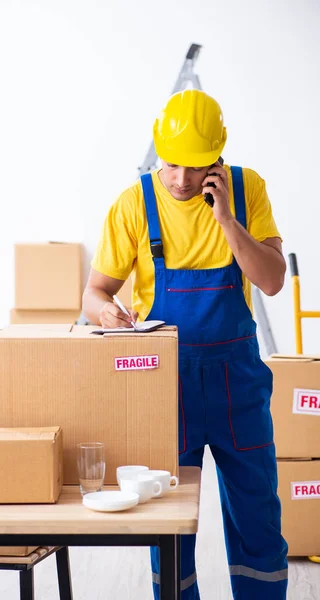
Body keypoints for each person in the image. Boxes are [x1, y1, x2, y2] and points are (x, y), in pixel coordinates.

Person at [82, 89, 288, 599]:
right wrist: (105, 311)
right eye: (172, 165)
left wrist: (226, 221)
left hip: (237, 383)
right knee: (170, 524)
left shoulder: (247, 190)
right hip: (166, 386)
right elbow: (94, 292)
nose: (180, 180)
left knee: (257, 514)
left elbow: (271, 280)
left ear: (218, 159)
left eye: (195, 169)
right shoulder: (135, 203)